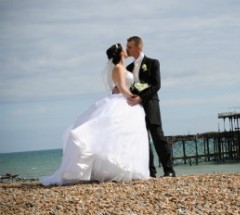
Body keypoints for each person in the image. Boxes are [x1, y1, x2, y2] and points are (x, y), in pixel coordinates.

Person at [39, 43, 150, 186]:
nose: (126, 50)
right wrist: (133, 97)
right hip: (123, 100)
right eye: (123, 48)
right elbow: (122, 87)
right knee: (116, 134)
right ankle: (119, 171)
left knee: (126, 136)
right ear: (119, 53)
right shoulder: (118, 68)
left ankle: (129, 169)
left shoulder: (123, 67)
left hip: (125, 101)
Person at [126, 36, 176, 177]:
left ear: (138, 48)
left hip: (150, 104)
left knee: (158, 137)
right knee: (142, 139)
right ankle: (150, 172)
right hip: (134, 108)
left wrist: (141, 97)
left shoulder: (153, 63)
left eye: (129, 47)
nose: (127, 49)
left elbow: (156, 85)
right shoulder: (128, 68)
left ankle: (169, 170)